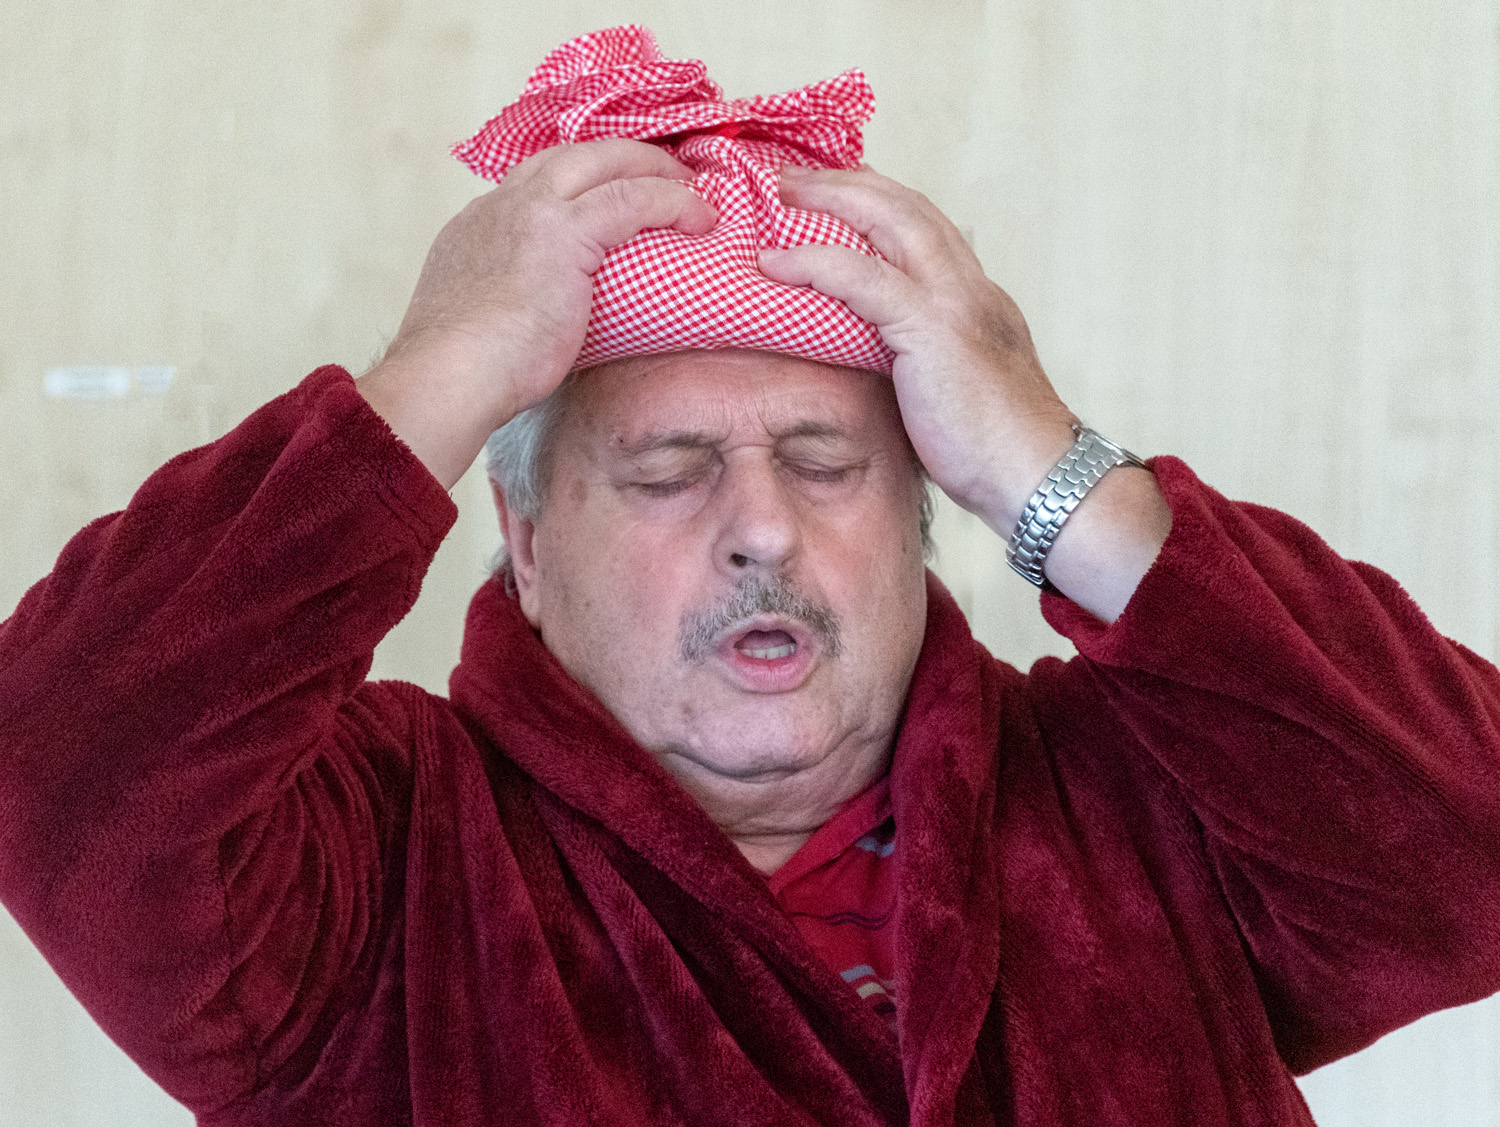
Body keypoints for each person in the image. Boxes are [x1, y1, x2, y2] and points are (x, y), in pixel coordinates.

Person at [3, 27, 1500, 1127]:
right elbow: (61, 768)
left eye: (828, 462)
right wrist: (441, 371)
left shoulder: (1147, 798)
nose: (763, 530)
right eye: (667, 472)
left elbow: (1464, 855)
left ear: (930, 505)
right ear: (527, 539)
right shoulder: (372, 865)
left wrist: (1049, 463)